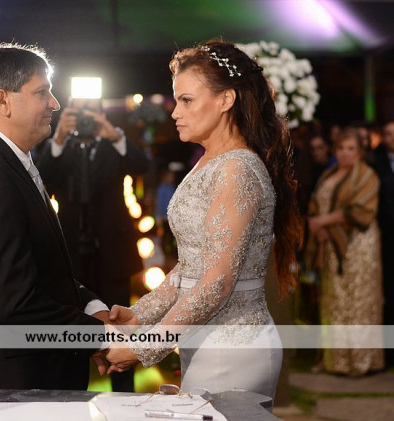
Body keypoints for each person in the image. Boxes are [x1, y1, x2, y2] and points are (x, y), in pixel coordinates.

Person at [105, 40, 302, 400]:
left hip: (232, 347)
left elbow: (216, 281)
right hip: (207, 341)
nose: (175, 113)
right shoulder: (212, 161)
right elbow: (192, 266)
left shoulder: (236, 169)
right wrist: (139, 315)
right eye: (177, 101)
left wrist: (145, 346)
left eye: (187, 100)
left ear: (226, 99)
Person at [0, 43, 109, 391]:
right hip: (18, 382)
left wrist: (92, 307)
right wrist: (101, 337)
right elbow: (14, 302)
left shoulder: (5, 161)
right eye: (41, 92)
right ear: (3, 101)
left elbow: (44, 269)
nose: (55, 104)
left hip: (37, 372)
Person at [36, 97, 148, 392]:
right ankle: (70, 396)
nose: (86, 119)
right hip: (71, 252)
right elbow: (42, 177)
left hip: (112, 251)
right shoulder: (62, 148)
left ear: (102, 115)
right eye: (80, 113)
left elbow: (142, 164)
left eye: (92, 113)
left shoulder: (113, 145)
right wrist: (58, 138)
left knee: (118, 324)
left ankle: (123, 395)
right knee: (70, 327)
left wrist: (114, 134)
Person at [305, 127, 383, 376]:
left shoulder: (367, 176)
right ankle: (335, 360)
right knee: (333, 299)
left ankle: (360, 360)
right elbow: (315, 202)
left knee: (358, 299)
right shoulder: (329, 173)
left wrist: (322, 222)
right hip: (330, 245)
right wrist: (318, 227)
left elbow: (359, 211)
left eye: (351, 148)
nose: (346, 153)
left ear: (360, 151)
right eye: (341, 148)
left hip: (358, 245)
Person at [372, 121, 394, 366]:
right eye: (388, 134)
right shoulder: (376, 165)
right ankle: (389, 351)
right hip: (387, 238)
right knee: (388, 292)